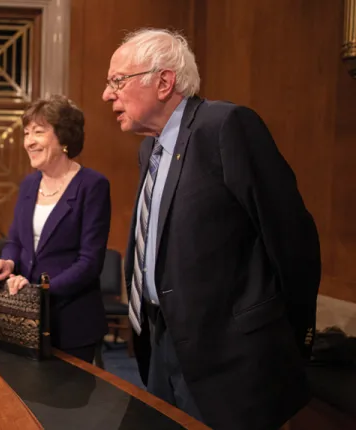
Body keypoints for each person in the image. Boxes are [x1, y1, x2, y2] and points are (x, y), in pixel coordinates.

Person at [102, 28, 321, 430]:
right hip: (162, 343)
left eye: (117, 81)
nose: (107, 94)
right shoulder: (149, 148)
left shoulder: (225, 126)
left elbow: (292, 238)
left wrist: (285, 337)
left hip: (230, 361)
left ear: (164, 81)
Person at [0, 95, 111, 365]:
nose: (29, 141)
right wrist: (7, 261)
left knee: (67, 404)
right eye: (26, 133)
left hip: (71, 321)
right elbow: (16, 242)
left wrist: (38, 291)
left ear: (64, 137)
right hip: (25, 321)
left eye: (38, 132)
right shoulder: (29, 185)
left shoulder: (92, 185)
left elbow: (89, 263)